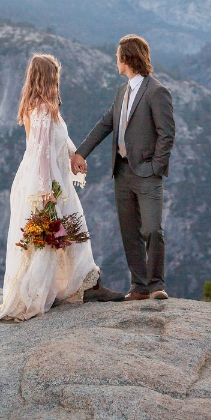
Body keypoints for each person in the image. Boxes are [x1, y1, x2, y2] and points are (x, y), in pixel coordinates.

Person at [0, 54, 101, 321]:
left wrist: (73, 156)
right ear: (47, 78)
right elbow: (42, 153)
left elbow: (61, 137)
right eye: (55, 77)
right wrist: (47, 192)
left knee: (60, 234)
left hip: (50, 180)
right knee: (47, 239)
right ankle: (46, 293)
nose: (58, 82)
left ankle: (67, 287)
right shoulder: (42, 109)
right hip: (46, 183)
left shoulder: (45, 107)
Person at [71, 35, 176, 301]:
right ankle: (139, 288)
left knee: (152, 229)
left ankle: (156, 286)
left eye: (117, 56)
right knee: (129, 232)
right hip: (122, 173)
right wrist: (81, 152)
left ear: (127, 58)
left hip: (147, 174)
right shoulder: (122, 92)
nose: (114, 61)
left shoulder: (156, 91)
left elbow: (167, 134)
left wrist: (155, 167)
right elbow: (105, 124)